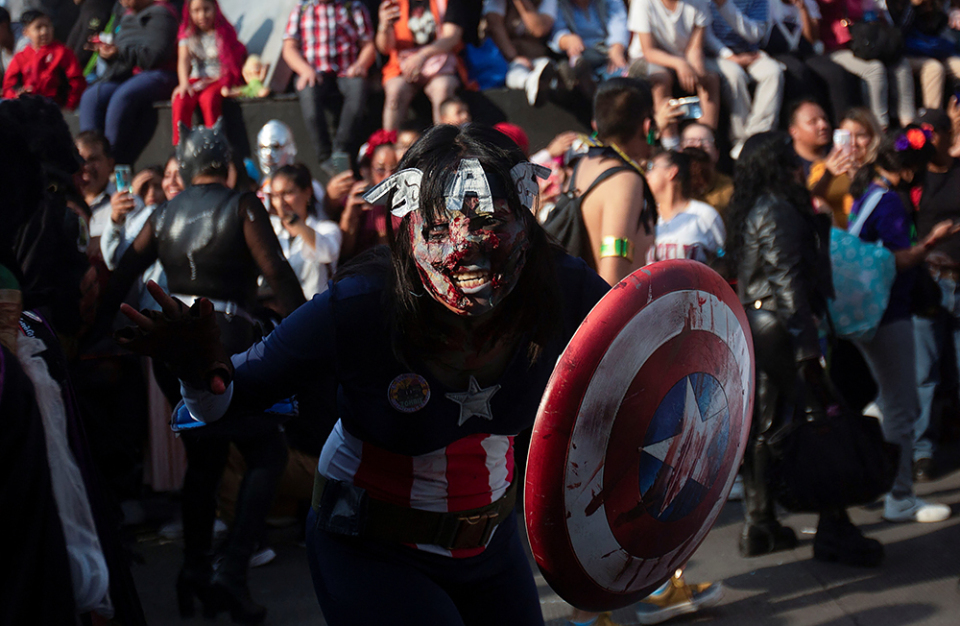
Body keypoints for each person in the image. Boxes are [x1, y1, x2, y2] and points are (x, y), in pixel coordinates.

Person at [116, 122, 609, 626]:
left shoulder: (560, 287)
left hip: (491, 548)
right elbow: (224, 398)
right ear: (409, 224)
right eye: (440, 227)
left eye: (489, 221)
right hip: (372, 548)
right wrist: (196, 368)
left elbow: (645, 361)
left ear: (525, 219)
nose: (464, 246)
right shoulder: (361, 303)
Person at [102, 119, 307, 623]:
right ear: (227, 166)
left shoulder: (164, 212)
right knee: (266, 452)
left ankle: (195, 571)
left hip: (174, 351)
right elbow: (277, 272)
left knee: (205, 460)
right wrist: (308, 331)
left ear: (189, 166)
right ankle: (230, 572)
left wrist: (93, 333)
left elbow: (121, 275)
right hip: (224, 346)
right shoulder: (241, 205)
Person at [726, 131, 883, 566]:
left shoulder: (756, 207)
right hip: (782, 324)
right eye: (791, 159)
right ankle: (835, 527)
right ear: (778, 165)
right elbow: (787, 279)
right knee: (821, 417)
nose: (800, 166)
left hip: (760, 320)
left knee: (767, 421)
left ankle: (760, 524)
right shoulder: (778, 208)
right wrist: (808, 348)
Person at [848, 125, 957, 524]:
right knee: (902, 407)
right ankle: (900, 496)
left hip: (873, 311)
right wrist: (929, 245)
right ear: (910, 170)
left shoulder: (870, 195)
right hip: (887, 312)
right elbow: (895, 258)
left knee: (890, 401)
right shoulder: (889, 202)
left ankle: (877, 476)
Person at [912, 108, 960, 483]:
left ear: (948, 134)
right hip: (927, 282)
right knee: (924, 372)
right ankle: (922, 452)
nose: (926, 139)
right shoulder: (914, 175)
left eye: (932, 132)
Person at [77, 0, 179, 165]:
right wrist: (109, 54)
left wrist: (119, 52)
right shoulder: (126, 17)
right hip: (128, 75)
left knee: (123, 96)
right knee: (91, 96)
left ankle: (109, 159)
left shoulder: (161, 14)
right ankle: (87, 157)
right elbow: (123, 55)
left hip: (160, 74)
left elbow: (154, 56)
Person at [282, 0, 376, 168]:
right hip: (315, 71)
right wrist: (304, 69)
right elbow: (289, 47)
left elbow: (368, 45)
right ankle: (324, 155)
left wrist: (360, 65)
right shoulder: (302, 9)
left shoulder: (353, 7)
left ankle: (341, 148)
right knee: (308, 97)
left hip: (347, 70)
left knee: (358, 91)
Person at [627, 0, 722, 145]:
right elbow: (649, 51)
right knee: (661, 78)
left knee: (709, 79)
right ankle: (670, 142)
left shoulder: (700, 2)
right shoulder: (642, 3)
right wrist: (680, 64)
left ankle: (706, 139)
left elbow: (695, 48)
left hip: (683, 56)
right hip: (645, 59)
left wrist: (697, 71)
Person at [817, 0, 915, 129]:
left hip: (863, 45)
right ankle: (880, 127)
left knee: (901, 64)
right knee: (874, 69)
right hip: (835, 48)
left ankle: (909, 124)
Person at [706, 0, 785, 158]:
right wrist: (729, 56)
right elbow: (705, 35)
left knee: (773, 72)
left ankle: (758, 136)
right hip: (716, 55)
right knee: (735, 75)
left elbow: (755, 35)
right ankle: (740, 139)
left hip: (750, 53)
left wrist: (724, 5)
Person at [376, 0, 471, 130]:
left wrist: (422, 56)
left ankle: (443, 139)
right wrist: (384, 26)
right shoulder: (394, 3)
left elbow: (452, 37)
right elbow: (385, 48)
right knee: (395, 90)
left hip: (441, 65)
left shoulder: (447, 2)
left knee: (442, 88)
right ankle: (390, 140)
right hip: (402, 67)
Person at [761, 0, 858, 125]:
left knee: (836, 72)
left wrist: (803, 9)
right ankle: (802, 124)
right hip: (777, 52)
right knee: (798, 71)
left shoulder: (808, 3)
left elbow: (811, 39)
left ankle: (842, 125)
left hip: (805, 52)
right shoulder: (767, 4)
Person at [170, 0, 247, 145]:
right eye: (196, 11)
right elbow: (183, 60)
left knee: (208, 99)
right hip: (198, 78)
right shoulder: (187, 33)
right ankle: (181, 145)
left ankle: (214, 142)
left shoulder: (223, 31)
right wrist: (184, 83)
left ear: (215, 8)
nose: (202, 15)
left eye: (206, 9)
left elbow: (230, 62)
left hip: (219, 78)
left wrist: (222, 82)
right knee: (181, 98)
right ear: (189, 12)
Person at [268, 163, 343, 299]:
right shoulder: (269, 230)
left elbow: (328, 252)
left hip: (316, 308)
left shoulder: (326, 228)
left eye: (288, 193)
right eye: (275, 196)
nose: (281, 202)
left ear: (307, 192)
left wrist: (296, 223)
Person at [644, 150, 726, 264]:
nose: (646, 175)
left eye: (651, 167)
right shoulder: (644, 218)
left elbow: (723, 260)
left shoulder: (704, 215)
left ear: (671, 172)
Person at [788, 98, 855, 227]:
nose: (823, 125)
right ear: (793, 131)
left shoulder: (842, 156)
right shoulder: (790, 166)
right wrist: (827, 175)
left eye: (825, 119)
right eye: (813, 122)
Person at [546, 0, 630, 100]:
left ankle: (598, 89)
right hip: (579, 54)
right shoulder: (557, 4)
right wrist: (567, 40)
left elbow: (618, 22)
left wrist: (617, 48)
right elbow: (556, 31)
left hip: (607, 50)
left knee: (618, 75)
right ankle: (587, 84)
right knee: (578, 63)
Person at [1, 9, 85, 109]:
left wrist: (69, 105)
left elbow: (76, 81)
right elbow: (9, 86)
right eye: (38, 27)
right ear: (26, 32)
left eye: (47, 26)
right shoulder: (20, 57)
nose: (44, 32)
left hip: (56, 108)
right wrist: (17, 96)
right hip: (28, 109)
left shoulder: (63, 53)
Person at [483, 0, 558, 106]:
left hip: (535, 55)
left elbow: (539, 29)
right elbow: (494, 25)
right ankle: (530, 83)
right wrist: (514, 57)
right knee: (515, 71)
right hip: (504, 58)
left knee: (546, 65)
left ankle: (547, 83)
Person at [680, 122, 734, 216]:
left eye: (706, 142)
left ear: (717, 153)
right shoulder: (673, 185)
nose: (698, 145)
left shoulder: (730, 189)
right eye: (691, 141)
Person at [75, 130, 117, 244]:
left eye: (93, 160)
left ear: (110, 164)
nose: (86, 167)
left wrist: (104, 242)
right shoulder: (63, 202)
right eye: (81, 161)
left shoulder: (126, 204)